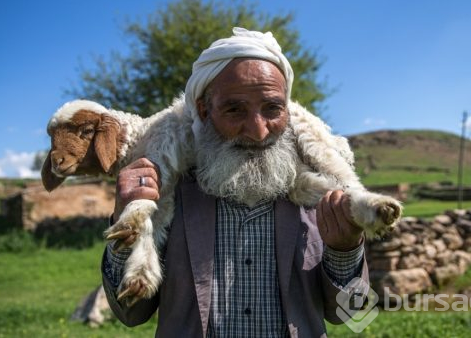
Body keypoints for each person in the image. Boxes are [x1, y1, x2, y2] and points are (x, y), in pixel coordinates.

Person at [101, 28, 370, 337]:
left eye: (272, 108)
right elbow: (130, 314)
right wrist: (129, 221)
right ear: (204, 110)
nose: (258, 131)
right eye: (234, 109)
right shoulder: (168, 192)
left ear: (288, 109)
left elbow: (354, 314)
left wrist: (345, 249)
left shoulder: (318, 192)